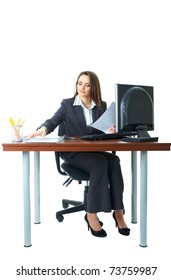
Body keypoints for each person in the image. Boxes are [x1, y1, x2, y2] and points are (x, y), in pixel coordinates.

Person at [29, 71, 130, 238]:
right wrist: (43, 129)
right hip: (73, 153)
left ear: (94, 87)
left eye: (87, 84)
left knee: (114, 160)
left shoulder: (101, 106)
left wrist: (111, 129)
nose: (82, 88)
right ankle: (91, 214)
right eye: (79, 83)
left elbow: (102, 129)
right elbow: (53, 121)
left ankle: (118, 212)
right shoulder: (67, 105)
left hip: (93, 151)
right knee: (100, 163)